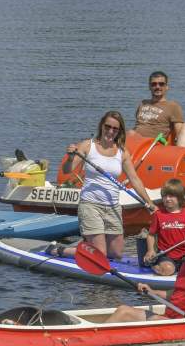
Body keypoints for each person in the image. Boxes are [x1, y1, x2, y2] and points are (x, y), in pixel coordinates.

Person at [52, 111, 157, 260]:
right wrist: (70, 158)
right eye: (108, 127)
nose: (110, 131)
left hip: (113, 207)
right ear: (101, 126)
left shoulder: (122, 152)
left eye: (115, 129)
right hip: (90, 205)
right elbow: (67, 170)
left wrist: (150, 203)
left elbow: (135, 179)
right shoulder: (88, 146)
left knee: (116, 254)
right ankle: (61, 250)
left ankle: (87, 245)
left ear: (119, 131)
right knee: (100, 254)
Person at [105, 225, 185, 326]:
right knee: (123, 309)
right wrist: (151, 291)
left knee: (124, 313)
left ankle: (94, 340)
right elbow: (176, 293)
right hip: (170, 318)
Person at [141, 178, 185, 276]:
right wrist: (150, 250)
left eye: (171, 196)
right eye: (165, 196)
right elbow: (151, 235)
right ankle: (154, 265)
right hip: (166, 255)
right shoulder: (158, 215)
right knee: (168, 269)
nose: (167, 199)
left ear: (180, 198)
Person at [129, 71, 185, 147]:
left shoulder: (173, 106)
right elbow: (138, 125)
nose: (157, 87)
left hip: (154, 145)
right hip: (135, 141)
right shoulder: (143, 103)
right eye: (154, 84)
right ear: (149, 87)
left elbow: (179, 134)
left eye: (161, 84)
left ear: (167, 87)